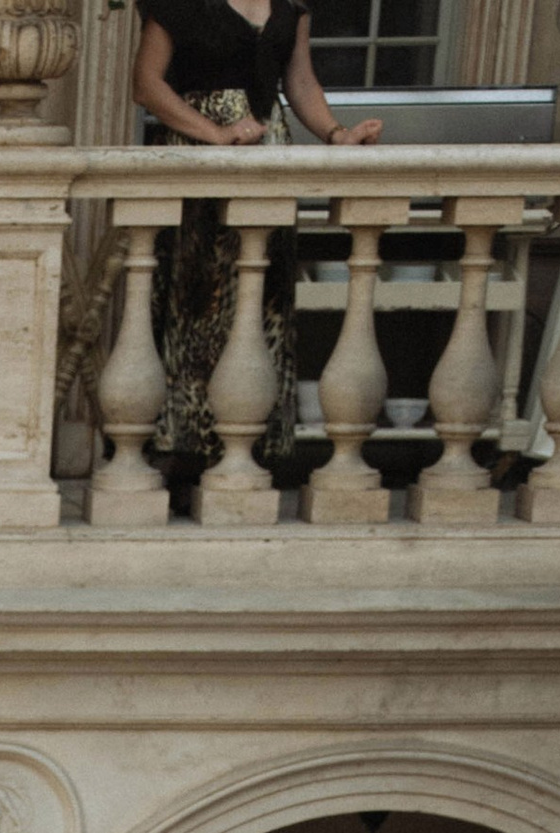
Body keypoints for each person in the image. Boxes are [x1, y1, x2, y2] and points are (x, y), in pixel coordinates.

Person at [130, 1, 379, 487]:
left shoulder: (292, 6)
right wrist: (216, 135)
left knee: (262, 299)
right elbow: (146, 84)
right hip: (195, 156)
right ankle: (184, 452)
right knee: (197, 302)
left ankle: (250, 447)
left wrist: (336, 134)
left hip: (267, 158)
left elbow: (300, 83)